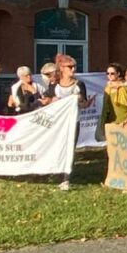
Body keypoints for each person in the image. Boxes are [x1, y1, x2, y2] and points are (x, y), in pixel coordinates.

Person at [45, 53, 92, 190]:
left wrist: (83, 102)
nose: (73, 69)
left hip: (73, 122)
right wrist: (50, 101)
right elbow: (46, 100)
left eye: (74, 66)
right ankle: (55, 172)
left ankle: (66, 178)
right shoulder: (55, 85)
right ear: (62, 68)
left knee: (70, 148)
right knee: (57, 147)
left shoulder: (79, 85)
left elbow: (84, 105)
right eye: (70, 67)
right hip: (58, 123)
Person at [99, 62, 127, 137]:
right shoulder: (107, 87)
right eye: (107, 73)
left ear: (118, 74)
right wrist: (103, 123)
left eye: (112, 73)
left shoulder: (125, 86)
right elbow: (105, 108)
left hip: (125, 120)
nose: (109, 75)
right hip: (111, 121)